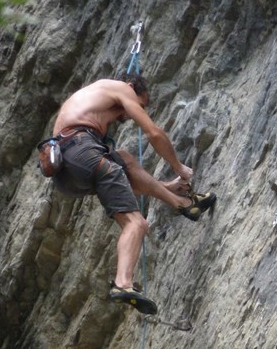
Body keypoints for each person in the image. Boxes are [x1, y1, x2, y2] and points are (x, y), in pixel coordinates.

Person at [51, 73, 216, 315]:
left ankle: (182, 203)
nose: (129, 116)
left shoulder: (91, 99)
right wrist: (179, 167)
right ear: (132, 88)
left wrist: (167, 185)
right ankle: (123, 284)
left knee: (125, 160)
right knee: (136, 224)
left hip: (64, 170)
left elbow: (123, 181)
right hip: (82, 150)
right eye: (140, 105)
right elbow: (154, 133)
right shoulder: (121, 88)